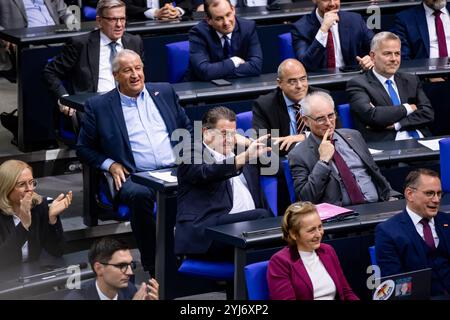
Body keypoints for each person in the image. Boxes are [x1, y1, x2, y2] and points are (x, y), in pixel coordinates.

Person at [77, 49, 193, 273]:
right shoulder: (99, 106)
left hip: (174, 167)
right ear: (115, 75)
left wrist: (188, 156)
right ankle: (154, 263)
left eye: (138, 68)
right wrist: (110, 164)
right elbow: (83, 148)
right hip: (137, 175)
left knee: (204, 181)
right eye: (127, 70)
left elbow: (185, 128)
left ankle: (193, 251)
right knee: (140, 196)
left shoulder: (165, 91)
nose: (135, 75)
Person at [174, 106, 272, 258]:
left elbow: (276, 165)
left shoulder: (241, 152)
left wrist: (246, 142)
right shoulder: (190, 152)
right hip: (208, 232)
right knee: (261, 218)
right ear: (206, 132)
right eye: (223, 133)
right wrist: (245, 156)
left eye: (232, 134)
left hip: (245, 228)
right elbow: (207, 172)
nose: (229, 139)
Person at [288, 91, 400, 205]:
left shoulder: (354, 136)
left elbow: (375, 173)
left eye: (331, 115)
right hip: (340, 216)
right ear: (306, 121)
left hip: (377, 204)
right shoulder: (298, 155)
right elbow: (306, 199)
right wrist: (323, 162)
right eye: (320, 119)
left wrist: (391, 195)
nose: (328, 123)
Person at [43, 0, 144, 117]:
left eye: (122, 19)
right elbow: (49, 71)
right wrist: (65, 99)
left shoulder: (134, 41)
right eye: (113, 19)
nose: (119, 25)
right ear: (99, 21)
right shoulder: (81, 44)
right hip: (95, 109)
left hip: (131, 106)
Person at [347, 32, 434, 142]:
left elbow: (428, 113)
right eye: (387, 54)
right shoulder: (358, 84)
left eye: (397, 53)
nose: (394, 59)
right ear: (373, 56)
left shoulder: (411, 80)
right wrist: (408, 108)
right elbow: (372, 116)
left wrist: (398, 124)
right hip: (390, 146)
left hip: (423, 141)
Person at [375, 168, 450, 297]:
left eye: (439, 194)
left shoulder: (447, 221)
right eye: (430, 193)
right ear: (410, 194)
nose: (437, 200)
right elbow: (395, 286)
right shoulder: (388, 232)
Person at [267, 201, 359, 300]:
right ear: (294, 234)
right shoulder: (280, 262)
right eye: (311, 230)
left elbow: (346, 292)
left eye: (320, 227)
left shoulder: (328, 251)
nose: (319, 234)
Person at [0, 160, 72, 270]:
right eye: (22, 184)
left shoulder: (40, 206)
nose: (30, 189)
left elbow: (58, 251)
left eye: (31, 182)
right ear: (6, 188)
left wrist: (52, 220)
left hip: (32, 273)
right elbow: (3, 260)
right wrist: (23, 225)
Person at [252, 59, 326, 156]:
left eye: (303, 79)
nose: (299, 86)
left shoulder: (321, 98)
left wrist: (304, 137)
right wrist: (305, 144)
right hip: (285, 161)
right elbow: (262, 143)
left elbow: (334, 132)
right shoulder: (265, 105)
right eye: (292, 82)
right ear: (280, 83)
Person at [186, 0, 263, 81]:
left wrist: (216, 72)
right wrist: (234, 61)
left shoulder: (248, 27)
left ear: (233, 10)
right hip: (204, 89)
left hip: (239, 86)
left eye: (228, 15)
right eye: (219, 19)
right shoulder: (198, 33)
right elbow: (204, 72)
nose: (226, 23)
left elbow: (255, 67)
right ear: (209, 20)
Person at [291, 0, 373, 72]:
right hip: (319, 84)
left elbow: (377, 47)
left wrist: (371, 59)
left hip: (354, 80)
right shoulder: (300, 28)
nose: (332, 4)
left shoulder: (355, 20)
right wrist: (323, 30)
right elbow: (306, 65)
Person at [65, 237, 159, 300]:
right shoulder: (76, 298)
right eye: (122, 266)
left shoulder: (130, 290)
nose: (130, 272)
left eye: (130, 265)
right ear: (99, 268)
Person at [123, 0, 191, 21]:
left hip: (170, 28)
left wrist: (177, 11)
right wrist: (154, 13)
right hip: (137, 30)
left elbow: (186, 2)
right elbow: (125, 6)